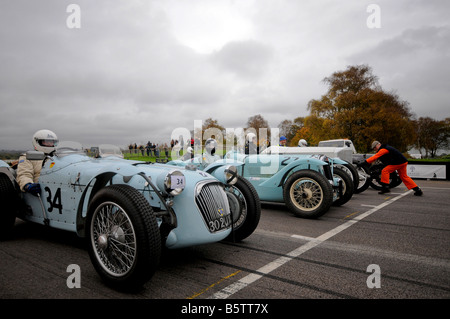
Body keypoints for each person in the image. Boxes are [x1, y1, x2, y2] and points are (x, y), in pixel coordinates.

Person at [358, 141, 423, 196]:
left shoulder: (383, 149)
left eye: (374, 148)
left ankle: (385, 187)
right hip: (403, 161)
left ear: (378, 145)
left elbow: (375, 157)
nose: (375, 150)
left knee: (385, 171)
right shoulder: (387, 147)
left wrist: (364, 162)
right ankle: (417, 190)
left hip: (398, 162)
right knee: (404, 176)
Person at [17, 129, 59, 196]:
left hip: (58, 188)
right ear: (37, 142)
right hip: (40, 192)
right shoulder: (28, 157)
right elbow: (24, 174)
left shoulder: (58, 157)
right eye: (46, 142)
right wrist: (28, 185)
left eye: (52, 142)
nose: (50, 144)